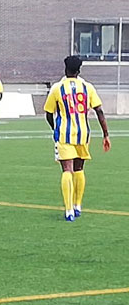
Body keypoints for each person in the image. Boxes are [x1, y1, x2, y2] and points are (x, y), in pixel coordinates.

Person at [43, 55, 111, 222]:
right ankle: (77, 205)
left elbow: (48, 113)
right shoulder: (88, 87)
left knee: (67, 169)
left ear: (65, 69)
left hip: (65, 135)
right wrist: (106, 134)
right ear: (79, 70)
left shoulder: (57, 88)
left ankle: (68, 211)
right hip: (83, 134)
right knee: (79, 169)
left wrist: (55, 129)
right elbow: (99, 111)